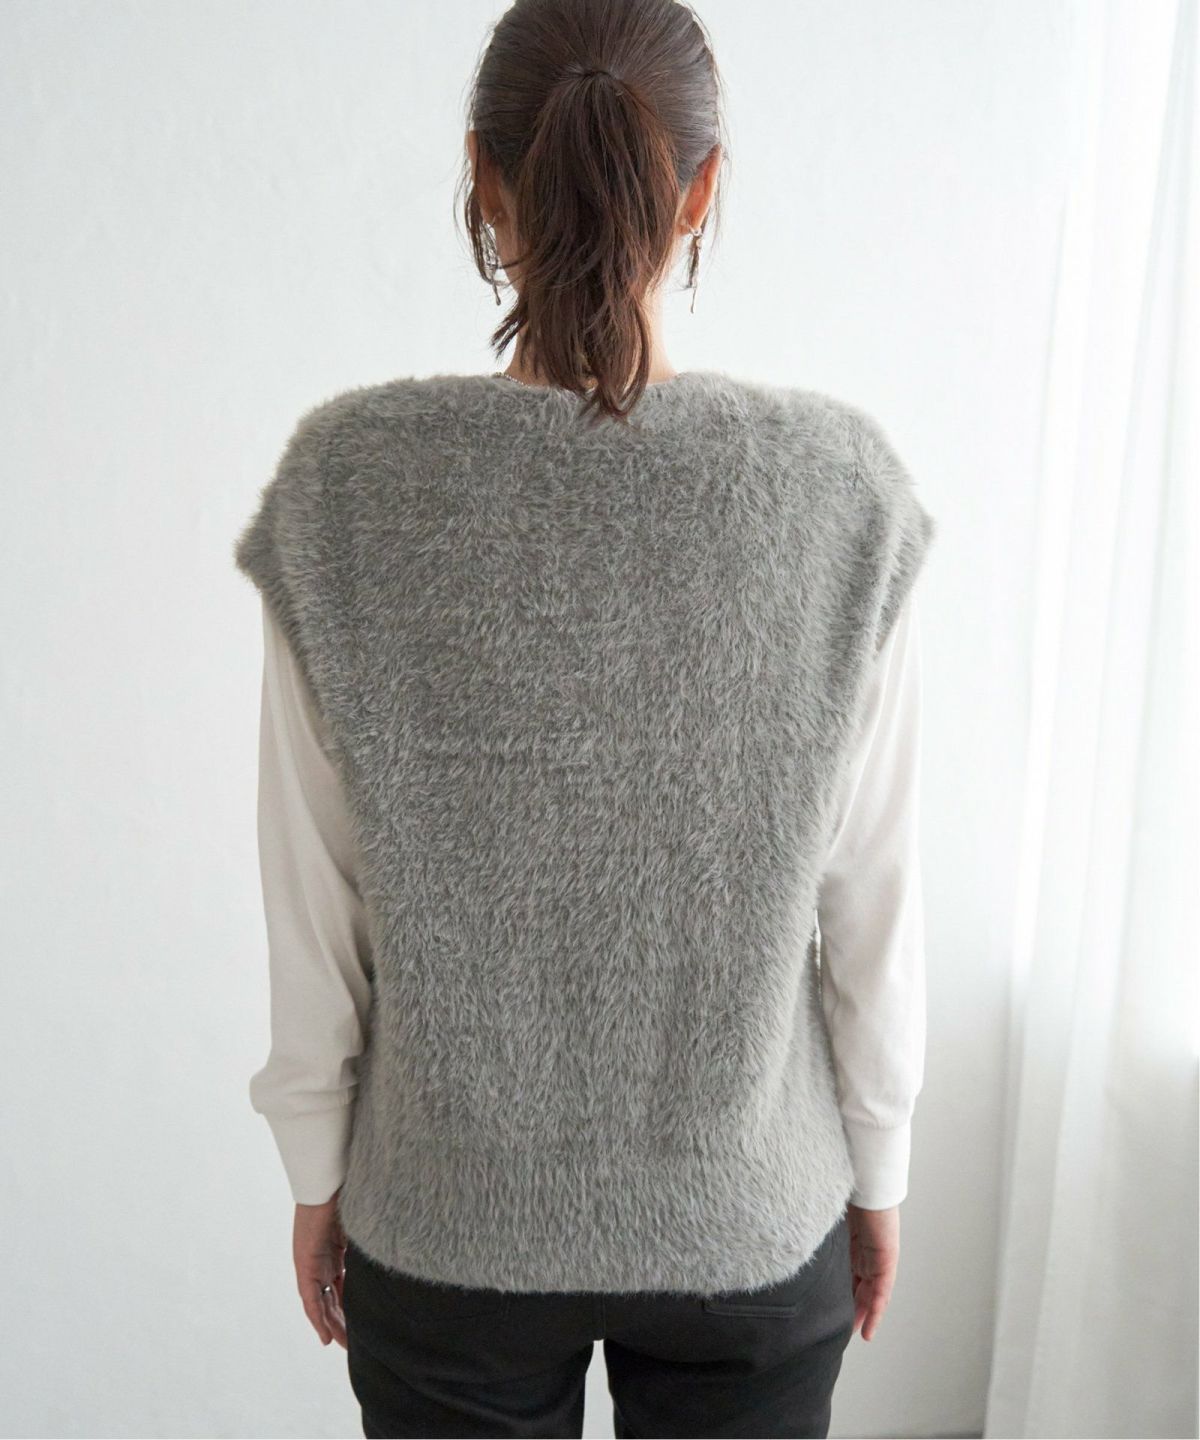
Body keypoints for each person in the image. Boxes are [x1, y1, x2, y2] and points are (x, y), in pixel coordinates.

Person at [233, 1, 936, 1435]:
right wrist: (881, 1166)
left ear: (482, 179)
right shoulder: (839, 496)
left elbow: (313, 895)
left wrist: (314, 1164)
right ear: (704, 189)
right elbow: (873, 898)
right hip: (748, 1217)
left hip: (449, 1224)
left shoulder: (350, 490)